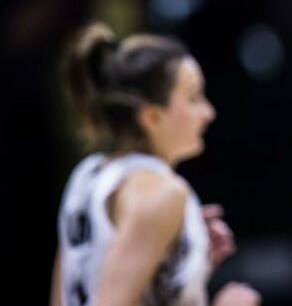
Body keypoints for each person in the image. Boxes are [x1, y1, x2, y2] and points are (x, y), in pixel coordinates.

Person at [50, 23, 261, 306]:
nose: (208, 113)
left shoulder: (87, 174)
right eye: (193, 97)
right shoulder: (163, 192)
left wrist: (177, 266)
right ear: (151, 117)